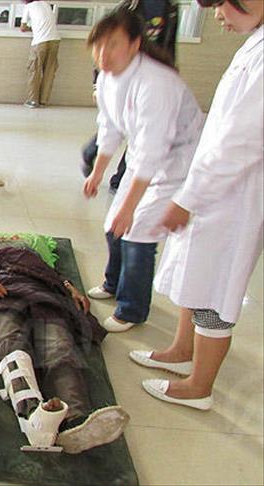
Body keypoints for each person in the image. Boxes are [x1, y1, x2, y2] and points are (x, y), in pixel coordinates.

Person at [132, 0, 263, 411]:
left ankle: (199, 386)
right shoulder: (254, 43)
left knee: (215, 290)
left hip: (234, 197)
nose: (217, 15)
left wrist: (188, 199)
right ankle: (181, 350)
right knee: (197, 275)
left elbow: (241, 142)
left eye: (221, 4)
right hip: (214, 188)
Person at [0, 214, 129, 454]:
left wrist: (70, 289)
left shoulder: (22, 245)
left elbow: (50, 273)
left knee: (59, 347)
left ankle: (75, 422)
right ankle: (33, 415)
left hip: (42, 295)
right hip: (0, 296)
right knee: (12, 343)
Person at [82, 9, 204, 333]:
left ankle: (132, 309)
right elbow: (109, 128)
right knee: (113, 224)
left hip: (177, 163)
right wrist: (97, 173)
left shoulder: (156, 82)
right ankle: (113, 283)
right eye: (98, 45)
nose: (103, 54)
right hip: (143, 159)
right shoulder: (107, 78)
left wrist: (130, 207)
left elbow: (154, 149)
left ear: (135, 44)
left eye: (113, 44)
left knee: (136, 230)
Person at [81, 0, 179, 192]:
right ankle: (92, 152)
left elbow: (169, 44)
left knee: (139, 132)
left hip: (149, 79)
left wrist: (170, 73)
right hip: (123, 73)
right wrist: (97, 83)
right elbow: (104, 46)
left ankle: (119, 179)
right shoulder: (128, 7)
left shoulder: (171, 9)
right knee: (118, 122)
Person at [20, 0, 61, 108]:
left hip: (40, 42)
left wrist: (32, 28)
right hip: (55, 40)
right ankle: (43, 101)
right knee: (49, 72)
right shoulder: (46, 4)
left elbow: (23, 28)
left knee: (35, 71)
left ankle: (32, 101)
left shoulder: (28, 7)